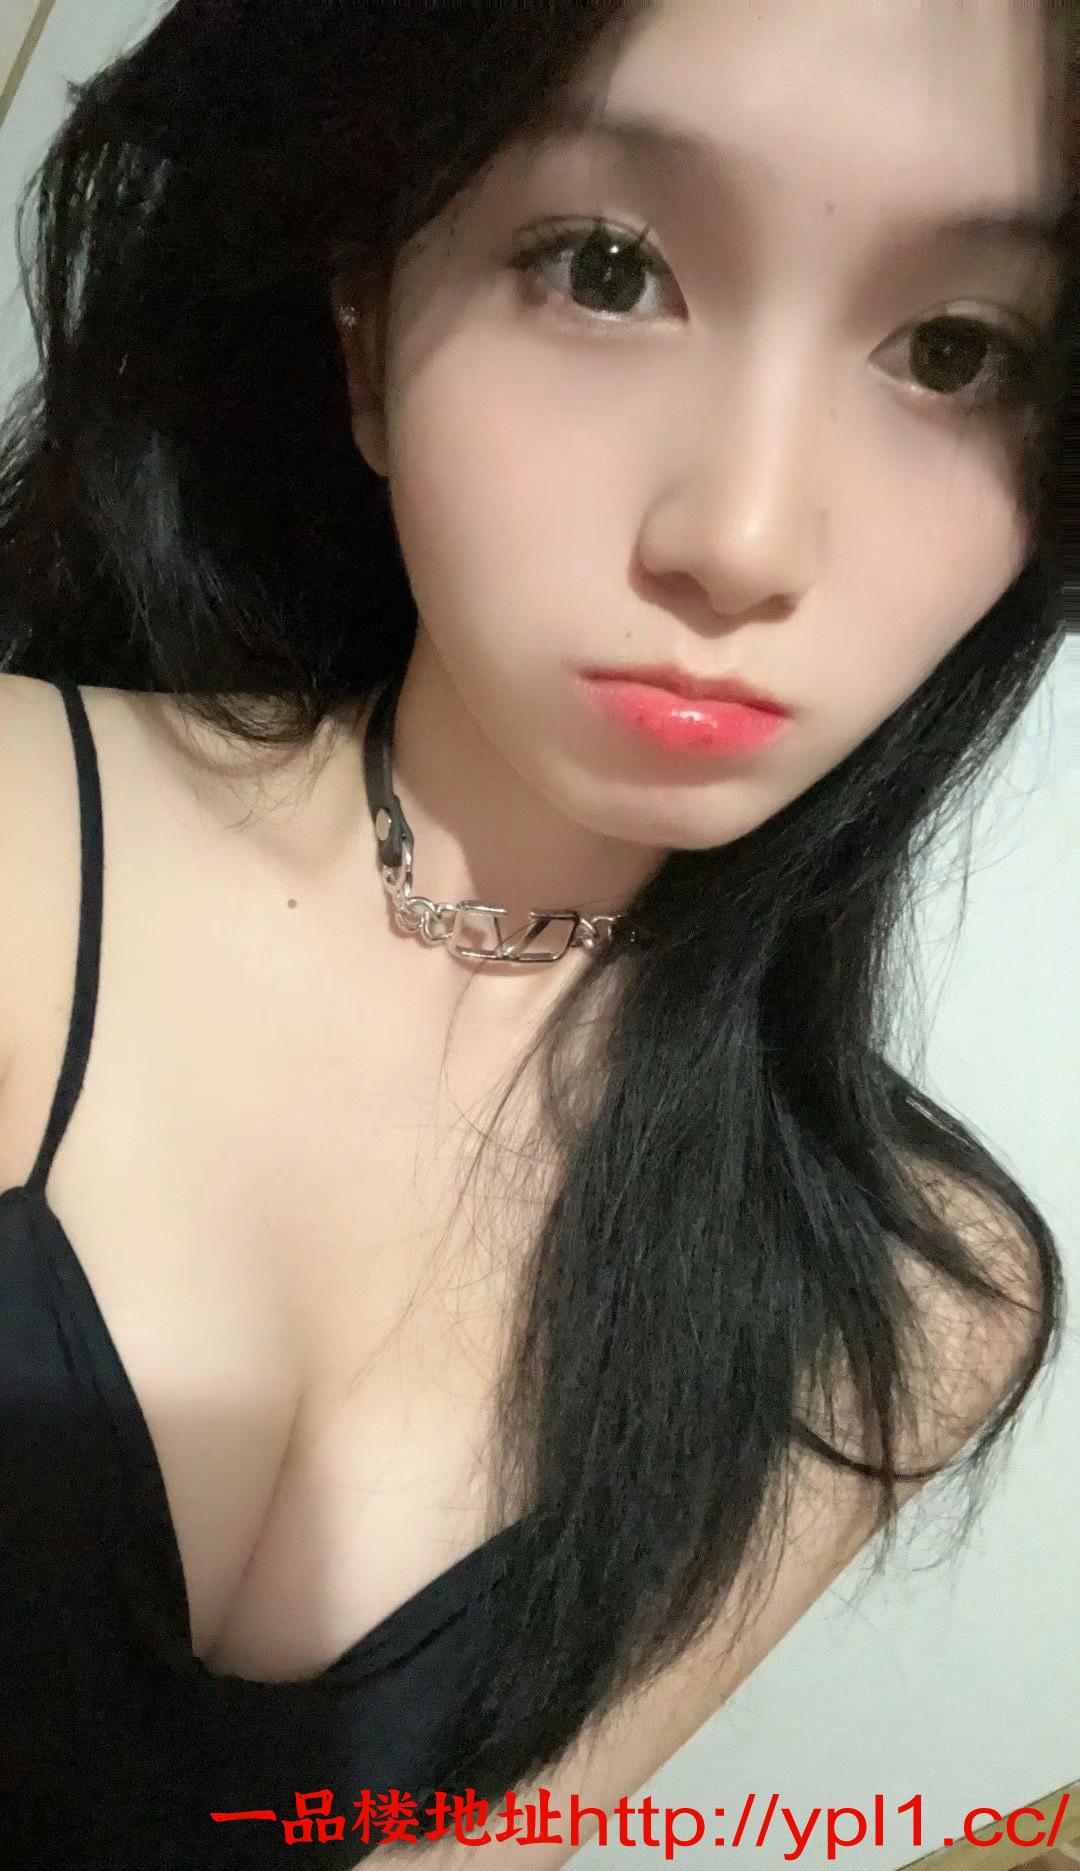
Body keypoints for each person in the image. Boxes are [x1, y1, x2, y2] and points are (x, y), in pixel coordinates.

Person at [0, 1, 1074, 1865]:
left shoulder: (905, 1304)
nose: (744, 537)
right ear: (364, 332)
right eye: (606, 268)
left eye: (955, 350)